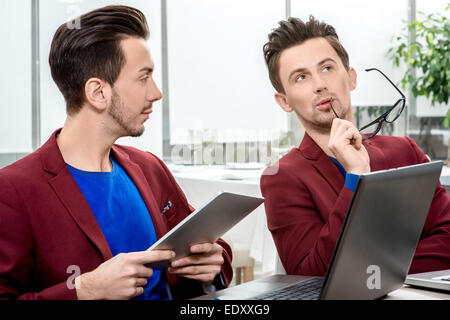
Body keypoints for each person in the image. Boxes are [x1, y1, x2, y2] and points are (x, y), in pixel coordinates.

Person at [0, 5, 232, 300]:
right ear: (98, 93)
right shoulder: (13, 190)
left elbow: (206, 248)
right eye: (143, 77)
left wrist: (212, 263)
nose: (156, 92)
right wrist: (83, 291)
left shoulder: (149, 168)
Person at [260, 16, 450, 277]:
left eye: (327, 68)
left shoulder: (405, 151)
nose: (319, 85)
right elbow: (312, 274)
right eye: (301, 77)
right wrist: (355, 177)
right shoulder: (283, 177)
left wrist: (369, 270)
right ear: (284, 101)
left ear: (351, 78)